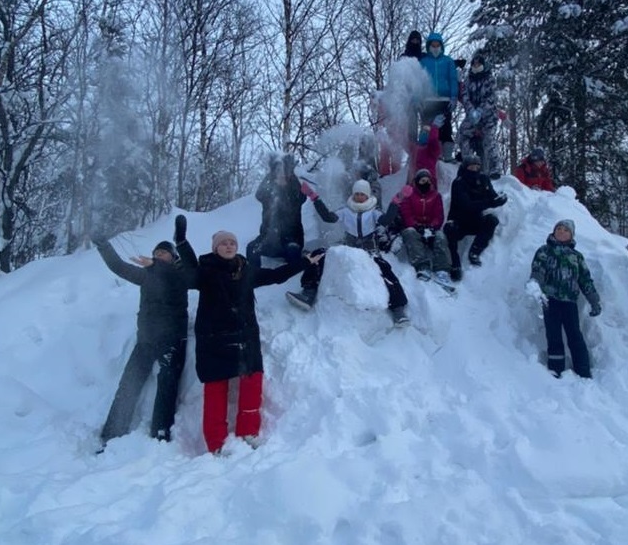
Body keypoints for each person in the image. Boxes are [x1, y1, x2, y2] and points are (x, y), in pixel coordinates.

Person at [182, 226, 315, 454]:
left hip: (245, 338)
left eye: (232, 242)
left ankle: (249, 432)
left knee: (252, 385)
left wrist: (305, 262)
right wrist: (181, 245)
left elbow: (276, 276)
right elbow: (186, 275)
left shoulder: (246, 270)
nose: (229, 246)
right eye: (224, 243)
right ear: (215, 248)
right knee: (215, 392)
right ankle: (216, 443)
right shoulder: (206, 271)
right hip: (215, 341)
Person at [92, 216, 194, 449]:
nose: (158, 255)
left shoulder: (180, 276)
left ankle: (160, 433)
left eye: (163, 253)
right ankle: (112, 433)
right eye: (156, 253)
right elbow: (118, 267)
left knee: (167, 386)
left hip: (172, 339)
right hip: (147, 338)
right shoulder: (147, 276)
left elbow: (175, 275)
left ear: (173, 257)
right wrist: (103, 245)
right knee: (129, 384)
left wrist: (155, 265)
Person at [287, 180, 410, 325]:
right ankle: (308, 293)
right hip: (349, 249)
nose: (359, 197)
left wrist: (397, 200)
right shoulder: (346, 210)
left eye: (362, 194)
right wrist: (314, 197)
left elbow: (386, 220)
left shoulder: (374, 211)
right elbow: (328, 217)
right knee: (318, 255)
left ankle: (398, 309)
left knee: (385, 270)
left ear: (368, 195)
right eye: (356, 194)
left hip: (370, 252)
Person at [526, 219, 602, 379]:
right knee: (553, 335)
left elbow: (585, 280)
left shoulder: (577, 257)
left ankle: (583, 370)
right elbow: (538, 269)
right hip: (550, 300)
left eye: (565, 230)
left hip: (569, 302)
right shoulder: (545, 251)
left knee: (575, 335)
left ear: (571, 235)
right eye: (558, 228)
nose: (561, 231)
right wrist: (535, 283)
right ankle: (556, 369)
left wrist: (593, 299)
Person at [443, 154, 507, 281]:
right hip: (459, 221)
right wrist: (491, 203)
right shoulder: (459, 182)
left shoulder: (483, 179)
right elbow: (466, 205)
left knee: (492, 221)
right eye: (472, 167)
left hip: (476, 220)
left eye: (477, 166)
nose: (475, 169)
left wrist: (500, 199)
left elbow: (492, 196)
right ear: (466, 167)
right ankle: (455, 264)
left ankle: (475, 251)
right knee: (450, 230)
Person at [394, 168, 454, 287]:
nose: (425, 183)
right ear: (417, 182)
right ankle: (422, 266)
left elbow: (439, 215)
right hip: (415, 227)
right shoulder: (409, 195)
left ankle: (442, 269)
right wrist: (416, 226)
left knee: (441, 236)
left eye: (427, 180)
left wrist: (432, 227)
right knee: (409, 233)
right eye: (422, 181)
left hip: (431, 228)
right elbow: (406, 213)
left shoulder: (436, 196)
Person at [246, 152, 306, 268]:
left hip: (291, 240)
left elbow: (302, 197)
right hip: (269, 240)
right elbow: (259, 195)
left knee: (292, 252)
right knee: (252, 248)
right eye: (277, 170)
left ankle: (290, 281)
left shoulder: (293, 192)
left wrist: (291, 174)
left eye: (283, 170)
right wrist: (271, 172)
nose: (280, 174)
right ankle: (254, 277)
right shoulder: (269, 193)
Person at [456, 53, 502, 176]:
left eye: (478, 64)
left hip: (488, 117)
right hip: (472, 116)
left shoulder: (489, 79)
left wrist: (481, 111)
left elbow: (491, 98)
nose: (476, 66)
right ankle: (468, 162)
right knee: (462, 134)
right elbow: (464, 96)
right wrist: (471, 111)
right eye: (474, 64)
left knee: (489, 140)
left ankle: (495, 168)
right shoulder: (468, 80)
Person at [418, 32, 460, 162]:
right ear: (429, 46)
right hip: (427, 100)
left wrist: (454, 97)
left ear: (441, 46)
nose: (435, 47)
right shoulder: (423, 61)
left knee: (445, 127)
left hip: (444, 100)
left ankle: (446, 154)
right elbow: (418, 81)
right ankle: (427, 153)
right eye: (433, 44)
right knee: (427, 127)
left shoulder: (448, 61)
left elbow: (453, 79)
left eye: (437, 44)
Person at [407, 113, 444, 184]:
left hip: (429, 180)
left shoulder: (432, 149)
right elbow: (403, 141)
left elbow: (433, 140)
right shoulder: (415, 148)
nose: (424, 133)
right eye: (422, 131)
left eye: (427, 132)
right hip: (416, 181)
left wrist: (435, 127)